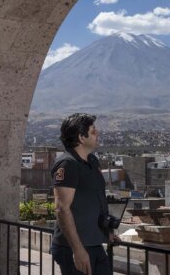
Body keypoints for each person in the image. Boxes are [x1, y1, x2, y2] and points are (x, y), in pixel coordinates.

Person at [50, 113, 119, 275]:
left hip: (94, 244)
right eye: (93, 131)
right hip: (74, 248)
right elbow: (62, 208)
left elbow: (95, 201)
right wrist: (78, 250)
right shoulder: (68, 164)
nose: (98, 134)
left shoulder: (92, 161)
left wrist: (106, 232)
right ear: (81, 137)